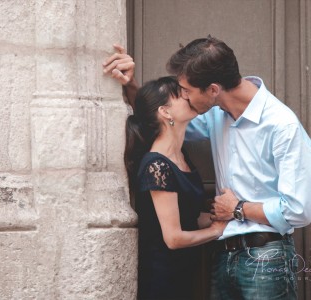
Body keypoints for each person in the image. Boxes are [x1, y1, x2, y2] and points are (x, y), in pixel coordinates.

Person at [103, 37, 311, 299]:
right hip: (221, 254)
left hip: (266, 257)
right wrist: (131, 85)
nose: (184, 97)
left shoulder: (283, 126)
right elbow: (164, 121)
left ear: (213, 89)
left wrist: (237, 209)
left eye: (186, 91)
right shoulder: (215, 116)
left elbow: (299, 209)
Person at [122, 75, 227, 299]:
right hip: (162, 279)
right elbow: (174, 238)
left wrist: (231, 214)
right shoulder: (156, 165)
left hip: (185, 271)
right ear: (165, 112)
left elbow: (188, 218)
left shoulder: (181, 156)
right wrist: (216, 231)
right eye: (180, 94)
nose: (188, 95)